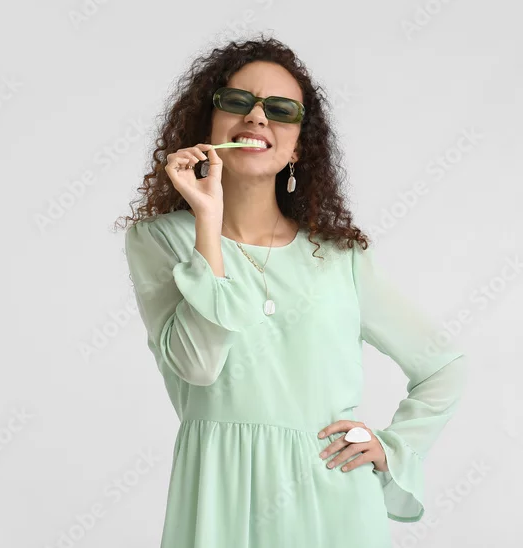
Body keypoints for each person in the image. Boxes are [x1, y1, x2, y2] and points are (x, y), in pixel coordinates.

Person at [118, 36, 467, 547]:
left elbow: (443, 366)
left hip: (333, 504)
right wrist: (208, 221)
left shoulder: (340, 257)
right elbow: (198, 365)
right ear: (208, 124)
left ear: (299, 146)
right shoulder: (159, 241)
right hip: (220, 499)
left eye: (281, 110)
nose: (257, 117)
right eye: (237, 101)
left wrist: (392, 447)